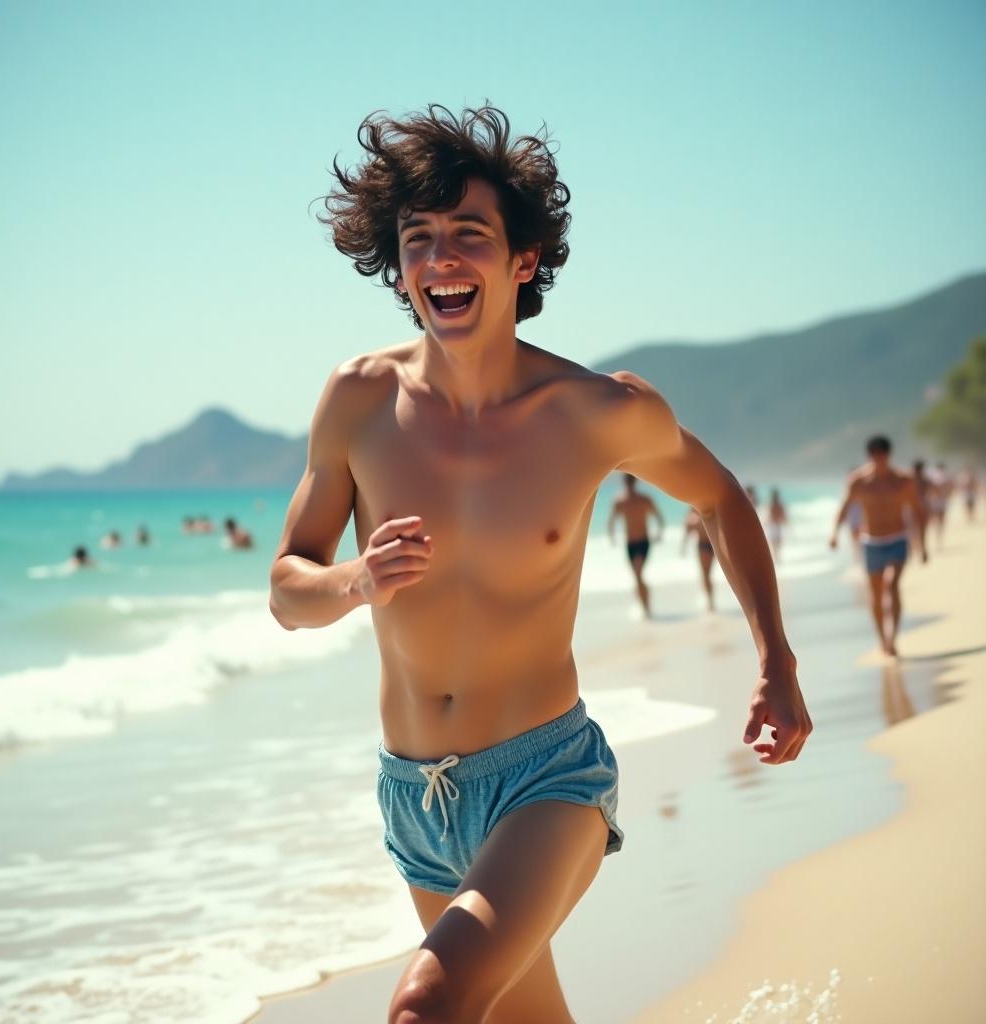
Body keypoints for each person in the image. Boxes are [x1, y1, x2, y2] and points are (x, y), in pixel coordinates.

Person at [269, 105, 811, 1024]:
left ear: (523, 260)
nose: (440, 258)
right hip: (413, 795)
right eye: (419, 239)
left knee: (426, 1007)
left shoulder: (595, 410)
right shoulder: (357, 399)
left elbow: (719, 497)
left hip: (544, 779)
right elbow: (288, 589)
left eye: (468, 235)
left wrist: (777, 660)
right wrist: (357, 580)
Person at [829, 436, 919, 657]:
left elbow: (918, 510)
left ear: (889, 455)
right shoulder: (858, 481)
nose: (879, 458)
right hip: (871, 543)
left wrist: (922, 544)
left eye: (883, 454)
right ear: (869, 455)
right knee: (876, 594)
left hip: (898, 539)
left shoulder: (902, 480)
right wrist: (834, 533)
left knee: (892, 584)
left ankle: (893, 636)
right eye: (874, 454)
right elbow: (845, 506)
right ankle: (882, 639)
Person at [607, 473, 664, 617]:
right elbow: (611, 520)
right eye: (628, 480)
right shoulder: (619, 501)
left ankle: (646, 609)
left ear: (635, 481)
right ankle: (644, 605)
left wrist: (658, 533)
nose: (630, 483)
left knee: (638, 573)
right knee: (636, 576)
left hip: (643, 542)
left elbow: (658, 516)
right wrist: (611, 536)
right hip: (630, 544)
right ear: (625, 481)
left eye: (631, 480)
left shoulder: (644, 500)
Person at [681, 507, 716, 612]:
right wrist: (683, 546)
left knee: (706, 574)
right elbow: (687, 529)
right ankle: (709, 600)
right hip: (704, 546)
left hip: (712, 545)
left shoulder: (705, 513)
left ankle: (709, 599)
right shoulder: (693, 517)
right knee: (706, 574)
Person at [911, 460, 932, 563]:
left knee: (913, 530)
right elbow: (932, 492)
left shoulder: (910, 480)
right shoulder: (925, 480)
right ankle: (922, 549)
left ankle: (916, 551)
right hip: (923, 507)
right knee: (922, 530)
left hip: (913, 508)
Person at [766, 487, 788, 561]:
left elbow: (769, 515)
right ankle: (777, 556)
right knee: (777, 542)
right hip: (777, 525)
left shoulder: (772, 504)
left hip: (773, 525)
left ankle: (776, 556)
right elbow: (783, 515)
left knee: (774, 542)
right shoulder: (778, 504)